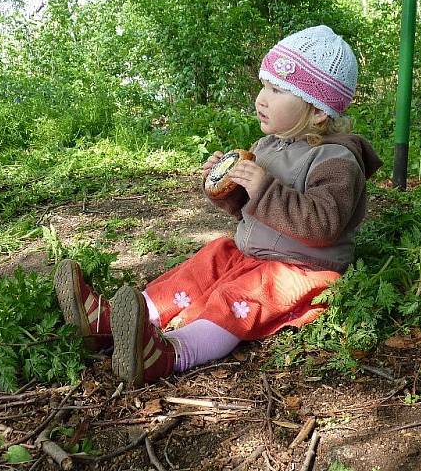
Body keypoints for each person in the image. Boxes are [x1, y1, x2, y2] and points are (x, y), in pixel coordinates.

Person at [54, 25, 381, 386]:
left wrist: (263, 187)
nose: (261, 98)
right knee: (208, 260)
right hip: (251, 255)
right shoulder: (268, 145)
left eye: (277, 90)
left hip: (301, 269)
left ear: (317, 111)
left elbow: (322, 226)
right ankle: (113, 319)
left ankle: (168, 354)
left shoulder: (336, 160)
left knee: (234, 298)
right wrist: (226, 188)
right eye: (264, 85)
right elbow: (248, 209)